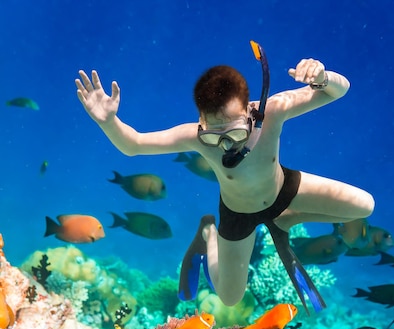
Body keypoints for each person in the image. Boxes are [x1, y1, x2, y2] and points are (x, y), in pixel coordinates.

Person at [75, 41, 374, 312]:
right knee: (230, 297)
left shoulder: (273, 111)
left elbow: (339, 90)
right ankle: (208, 233)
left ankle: (288, 217)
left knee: (363, 206)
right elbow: (133, 145)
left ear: (250, 111)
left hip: (285, 190)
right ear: (202, 121)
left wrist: (322, 77)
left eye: (236, 132)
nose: (228, 145)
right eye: (214, 135)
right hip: (237, 212)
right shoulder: (193, 135)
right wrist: (109, 121)